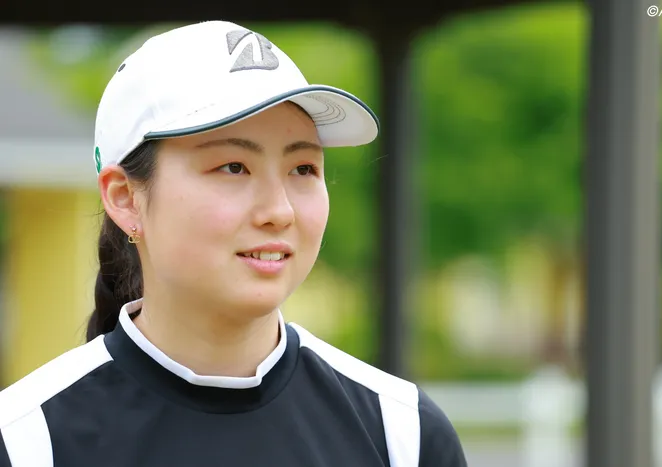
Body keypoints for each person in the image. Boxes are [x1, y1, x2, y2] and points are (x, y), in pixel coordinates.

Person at [0, 21, 467, 467]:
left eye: (303, 168)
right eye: (233, 167)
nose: (279, 210)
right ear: (125, 198)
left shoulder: (402, 435)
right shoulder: (27, 442)